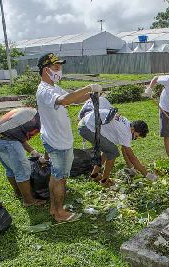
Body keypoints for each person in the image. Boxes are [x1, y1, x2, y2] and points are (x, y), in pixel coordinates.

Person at [36, 53, 102, 222]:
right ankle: (59, 213)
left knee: (56, 175)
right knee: (60, 178)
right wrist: (88, 87)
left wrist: (92, 95)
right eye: (56, 66)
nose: (60, 69)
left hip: (56, 138)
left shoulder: (53, 87)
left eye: (60, 66)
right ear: (46, 69)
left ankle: (53, 209)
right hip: (58, 142)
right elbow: (64, 101)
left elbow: (72, 99)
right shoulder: (45, 90)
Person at [78, 98, 158, 185]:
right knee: (113, 152)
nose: (134, 138)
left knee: (108, 149)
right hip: (87, 128)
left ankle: (94, 174)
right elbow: (132, 157)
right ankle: (104, 182)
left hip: (86, 123)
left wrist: (131, 168)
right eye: (136, 136)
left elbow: (124, 150)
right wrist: (147, 174)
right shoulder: (125, 132)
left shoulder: (127, 123)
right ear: (133, 129)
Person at [0, 107, 46, 206]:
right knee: (23, 171)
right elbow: (48, 140)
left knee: (11, 169)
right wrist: (46, 157)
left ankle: (18, 192)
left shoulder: (30, 111)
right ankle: (29, 201)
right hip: (6, 141)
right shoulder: (37, 121)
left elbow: (18, 136)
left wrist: (33, 152)